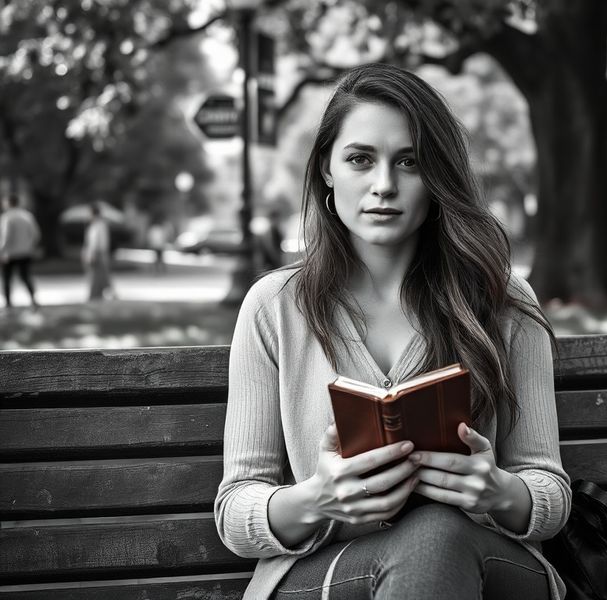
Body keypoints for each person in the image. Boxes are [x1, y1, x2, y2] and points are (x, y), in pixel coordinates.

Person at [215, 63, 571, 600]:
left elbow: (550, 492)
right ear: (327, 171)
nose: (384, 185)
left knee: (436, 535)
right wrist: (316, 498)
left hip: (481, 565)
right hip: (327, 575)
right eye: (361, 159)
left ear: (437, 177)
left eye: (409, 162)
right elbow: (237, 506)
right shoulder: (274, 306)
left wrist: (498, 492)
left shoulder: (502, 302)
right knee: (429, 543)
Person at [0, 195, 40, 309]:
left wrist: (1, 250)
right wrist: (29, 246)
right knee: (26, 276)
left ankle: (8, 303)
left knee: (7, 279)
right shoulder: (27, 216)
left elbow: (6, 237)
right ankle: (33, 299)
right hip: (25, 252)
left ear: (8, 203)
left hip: (10, 254)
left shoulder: (7, 217)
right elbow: (36, 234)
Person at [82, 202, 114, 300]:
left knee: (97, 277)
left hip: (97, 254)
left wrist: (91, 254)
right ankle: (98, 294)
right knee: (99, 277)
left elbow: (96, 243)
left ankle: (96, 295)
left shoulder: (99, 225)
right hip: (97, 254)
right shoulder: (97, 225)